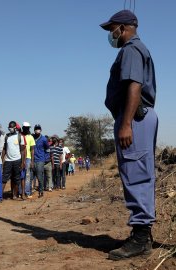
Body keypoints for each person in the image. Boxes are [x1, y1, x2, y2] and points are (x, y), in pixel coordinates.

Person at [100, 10, 158, 260]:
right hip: (135, 117)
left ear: (123, 28)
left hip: (134, 118)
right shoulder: (134, 49)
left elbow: (134, 84)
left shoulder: (131, 50)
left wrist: (126, 124)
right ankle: (142, 235)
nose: (110, 35)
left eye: (111, 29)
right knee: (137, 172)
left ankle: (141, 238)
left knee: (136, 175)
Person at [1, 121, 25, 199]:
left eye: (12, 128)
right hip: (8, 160)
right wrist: (2, 160)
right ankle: (0, 196)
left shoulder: (20, 137)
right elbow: (4, 149)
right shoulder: (6, 136)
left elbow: (22, 150)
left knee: (17, 178)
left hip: (17, 160)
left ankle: (14, 195)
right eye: (9, 128)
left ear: (15, 128)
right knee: (4, 178)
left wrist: (22, 162)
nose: (10, 129)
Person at [31, 124, 50, 198]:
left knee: (40, 177)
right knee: (31, 177)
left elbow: (48, 149)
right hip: (32, 160)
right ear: (34, 130)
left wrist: (45, 158)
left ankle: (41, 192)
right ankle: (29, 192)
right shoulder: (32, 138)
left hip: (40, 160)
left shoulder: (44, 139)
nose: (37, 130)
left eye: (38, 128)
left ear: (41, 130)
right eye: (36, 128)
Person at [21, 122, 35, 198]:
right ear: (23, 128)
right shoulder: (19, 136)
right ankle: (20, 192)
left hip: (28, 158)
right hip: (19, 158)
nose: (27, 129)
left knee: (27, 176)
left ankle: (27, 191)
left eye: (28, 128)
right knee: (20, 175)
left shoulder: (31, 137)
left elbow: (32, 150)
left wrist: (32, 161)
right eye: (25, 128)